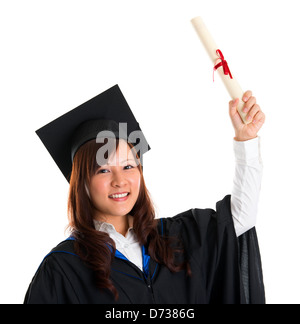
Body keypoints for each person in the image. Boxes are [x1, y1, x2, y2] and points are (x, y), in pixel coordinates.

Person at [24, 85, 266, 304]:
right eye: (104, 170)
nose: (120, 181)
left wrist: (246, 140)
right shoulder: (63, 269)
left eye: (129, 166)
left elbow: (239, 220)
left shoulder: (178, 238)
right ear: (82, 183)